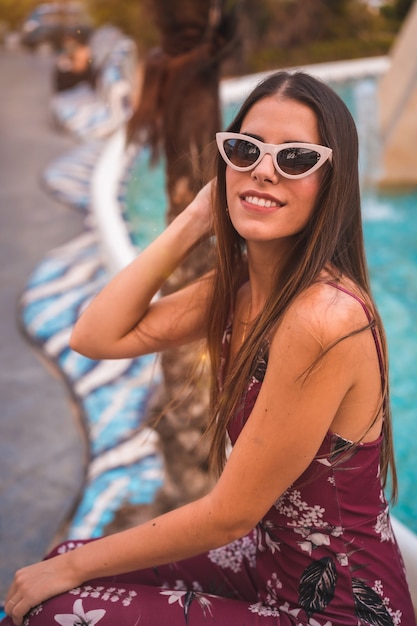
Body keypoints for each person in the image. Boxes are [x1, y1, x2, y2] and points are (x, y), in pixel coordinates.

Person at [3, 70, 415, 625]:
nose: (264, 170)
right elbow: (93, 336)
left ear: (331, 182)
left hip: (336, 606)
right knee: (67, 562)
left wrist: (69, 575)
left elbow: (229, 516)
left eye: (295, 159)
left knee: (62, 603)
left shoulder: (324, 318)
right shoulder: (242, 289)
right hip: (265, 564)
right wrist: (196, 219)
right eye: (245, 151)